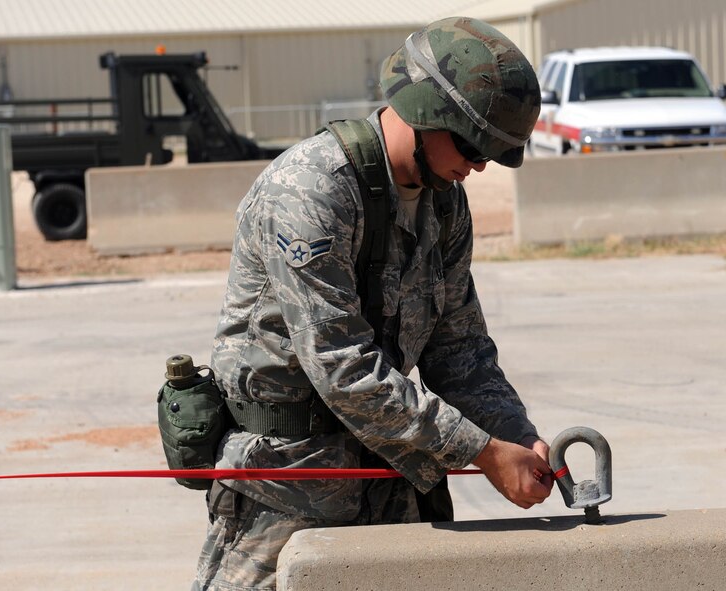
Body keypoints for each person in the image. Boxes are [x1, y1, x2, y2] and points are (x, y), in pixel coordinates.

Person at [193, 16, 552, 591]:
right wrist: (481, 452)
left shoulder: (444, 206)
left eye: (492, 153)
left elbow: (460, 352)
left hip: (390, 484)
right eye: (470, 144)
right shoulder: (311, 191)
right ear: (424, 112)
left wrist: (516, 434)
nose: (479, 165)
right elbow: (342, 365)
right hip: (288, 491)